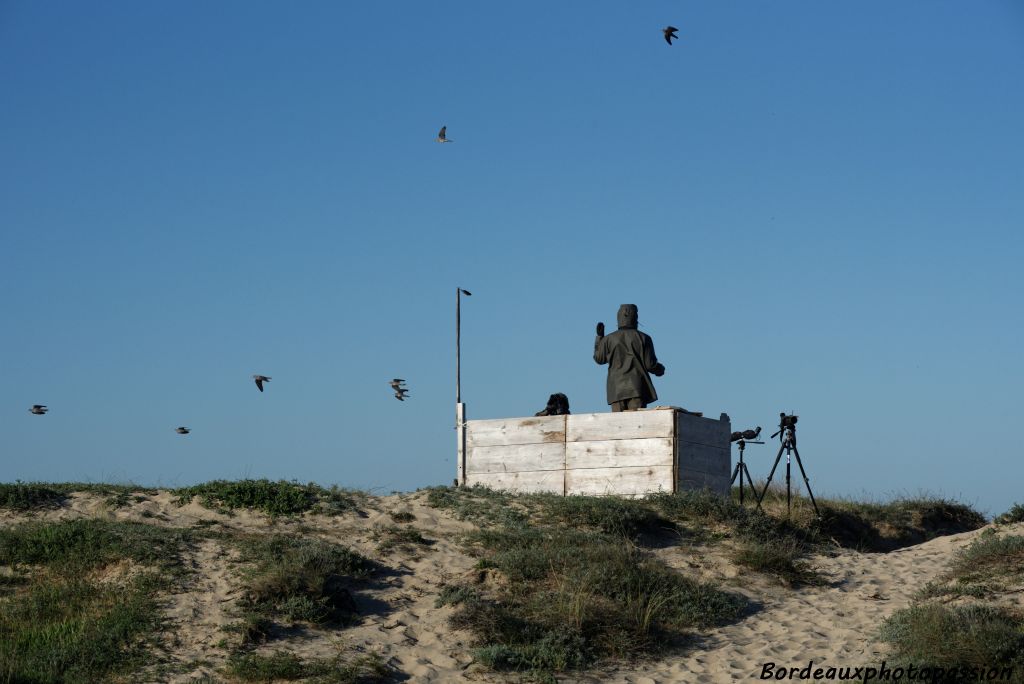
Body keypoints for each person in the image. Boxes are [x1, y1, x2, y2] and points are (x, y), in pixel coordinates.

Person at [593, 304, 665, 412]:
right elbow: (650, 365)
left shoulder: (608, 339)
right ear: (635, 318)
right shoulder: (644, 338)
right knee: (636, 424)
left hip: (616, 390)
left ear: (619, 318)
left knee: (618, 425)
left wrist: (600, 338)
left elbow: (599, 359)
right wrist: (660, 369)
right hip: (637, 389)